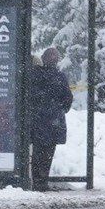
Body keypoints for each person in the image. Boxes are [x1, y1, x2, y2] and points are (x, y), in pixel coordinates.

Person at [25, 47, 73, 191]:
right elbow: (68, 98)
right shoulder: (60, 77)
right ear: (56, 61)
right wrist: (59, 110)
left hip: (37, 120)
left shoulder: (34, 75)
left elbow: (28, 96)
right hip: (53, 122)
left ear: (43, 59)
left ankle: (35, 181)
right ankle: (42, 182)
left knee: (38, 152)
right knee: (48, 153)